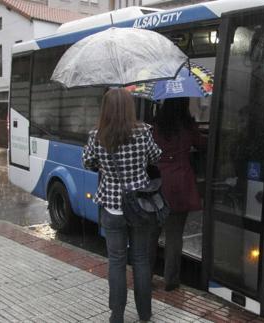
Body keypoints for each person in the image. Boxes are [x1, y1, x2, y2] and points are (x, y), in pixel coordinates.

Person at [82, 88, 161, 323]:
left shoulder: (97, 135)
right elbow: (156, 156)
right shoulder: (144, 131)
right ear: (129, 107)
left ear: (105, 109)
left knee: (116, 261)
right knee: (141, 259)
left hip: (112, 206)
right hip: (139, 206)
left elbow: (87, 161)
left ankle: (117, 314)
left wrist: (103, 166)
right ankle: (144, 314)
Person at [151, 97, 206, 291]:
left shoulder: (157, 125)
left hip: (159, 182)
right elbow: (202, 144)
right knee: (175, 235)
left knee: (153, 232)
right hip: (181, 182)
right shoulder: (187, 126)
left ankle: (146, 275)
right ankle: (171, 280)